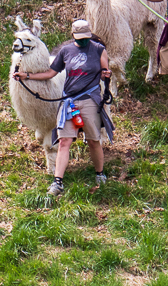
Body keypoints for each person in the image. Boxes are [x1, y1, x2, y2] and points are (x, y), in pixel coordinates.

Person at [25, 18, 114, 199]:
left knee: (93, 140)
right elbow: (51, 73)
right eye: (79, 38)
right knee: (64, 141)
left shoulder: (98, 49)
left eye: (85, 38)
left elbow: (105, 71)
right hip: (69, 101)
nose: (82, 41)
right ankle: (58, 181)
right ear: (73, 35)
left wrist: (106, 75)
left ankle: (100, 174)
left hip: (90, 99)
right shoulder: (66, 51)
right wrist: (27, 76)